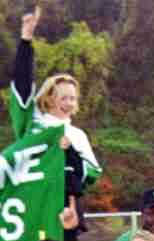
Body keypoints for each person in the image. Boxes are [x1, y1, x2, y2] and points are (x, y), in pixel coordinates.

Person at [13, 6, 101, 226]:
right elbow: (22, 84)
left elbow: (92, 173)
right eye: (64, 97)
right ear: (50, 98)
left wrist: (70, 154)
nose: (69, 103)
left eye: (73, 98)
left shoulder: (77, 135)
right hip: (32, 204)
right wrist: (26, 40)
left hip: (66, 210)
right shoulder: (33, 123)